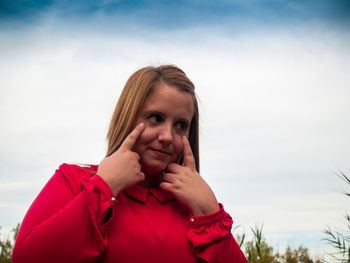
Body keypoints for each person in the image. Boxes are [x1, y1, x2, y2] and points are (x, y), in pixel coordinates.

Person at [12, 65, 249, 263]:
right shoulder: (75, 181)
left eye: (181, 125)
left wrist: (209, 214)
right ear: (127, 117)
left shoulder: (197, 207)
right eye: (155, 118)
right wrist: (103, 188)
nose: (168, 136)